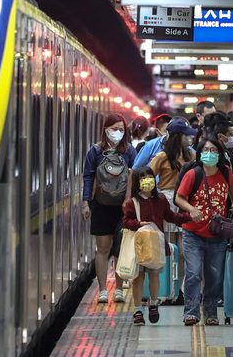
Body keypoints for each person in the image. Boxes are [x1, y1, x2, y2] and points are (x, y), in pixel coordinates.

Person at [174, 137, 233, 326]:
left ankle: (211, 312)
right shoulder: (193, 174)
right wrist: (191, 209)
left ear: (220, 154)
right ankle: (190, 312)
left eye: (214, 150)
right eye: (205, 150)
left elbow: (232, 189)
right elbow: (179, 198)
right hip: (193, 233)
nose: (210, 153)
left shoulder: (225, 171)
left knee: (215, 276)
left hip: (217, 234)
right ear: (199, 153)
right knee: (194, 273)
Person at [122, 167, 199, 326]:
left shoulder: (161, 200)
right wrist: (138, 224)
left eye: (149, 177)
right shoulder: (133, 202)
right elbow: (126, 221)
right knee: (138, 277)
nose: (147, 180)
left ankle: (154, 303)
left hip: (156, 246)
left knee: (154, 277)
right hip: (139, 247)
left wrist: (188, 217)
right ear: (137, 182)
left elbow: (170, 216)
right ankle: (138, 310)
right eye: (142, 178)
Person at [82, 113, 137, 304]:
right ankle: (103, 290)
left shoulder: (129, 151)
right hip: (101, 205)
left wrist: (130, 201)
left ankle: (119, 289)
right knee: (102, 248)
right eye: (114, 129)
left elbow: (135, 176)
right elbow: (88, 177)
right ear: (105, 129)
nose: (117, 133)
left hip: (123, 208)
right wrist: (86, 203)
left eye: (121, 129)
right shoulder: (95, 152)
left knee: (120, 249)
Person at [149, 118, 197, 247]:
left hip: (187, 199)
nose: (190, 138)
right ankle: (169, 267)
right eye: (187, 135)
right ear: (179, 136)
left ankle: (181, 268)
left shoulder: (192, 155)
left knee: (184, 242)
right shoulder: (162, 157)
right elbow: (148, 177)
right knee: (167, 242)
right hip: (167, 199)